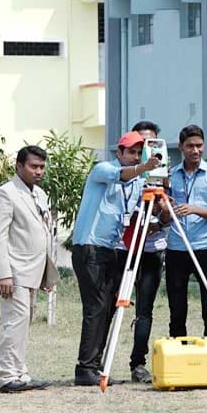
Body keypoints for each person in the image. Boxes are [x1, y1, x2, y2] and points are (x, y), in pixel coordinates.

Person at [71, 132, 159, 386]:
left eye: (139, 153)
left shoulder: (137, 181)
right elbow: (121, 174)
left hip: (111, 248)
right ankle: (85, 368)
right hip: (89, 246)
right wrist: (144, 168)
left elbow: (141, 210)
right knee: (96, 307)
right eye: (130, 152)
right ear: (119, 152)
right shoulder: (103, 169)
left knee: (107, 307)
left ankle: (95, 365)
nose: (135, 156)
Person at [0, 145, 58, 393]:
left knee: (24, 323)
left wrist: (46, 274)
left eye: (42, 167)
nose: (39, 171)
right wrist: (3, 274)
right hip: (14, 272)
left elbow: (42, 235)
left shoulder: (40, 194)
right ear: (19, 166)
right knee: (15, 321)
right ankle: (6, 376)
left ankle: (19, 373)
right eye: (33, 166)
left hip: (34, 271)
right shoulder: (4, 194)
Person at [163, 125, 207, 340]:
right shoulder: (170, 176)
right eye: (190, 146)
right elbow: (163, 216)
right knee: (177, 308)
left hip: (205, 247)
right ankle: (178, 350)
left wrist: (195, 209)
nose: (195, 150)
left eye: (199, 146)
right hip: (176, 247)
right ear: (181, 147)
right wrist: (166, 208)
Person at [126, 120, 171, 384]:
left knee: (144, 309)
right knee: (112, 305)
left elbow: (167, 216)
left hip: (153, 250)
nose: (147, 148)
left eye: (152, 143)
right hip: (126, 249)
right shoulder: (126, 173)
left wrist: (161, 213)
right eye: (142, 144)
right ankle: (95, 362)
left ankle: (138, 363)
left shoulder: (165, 175)